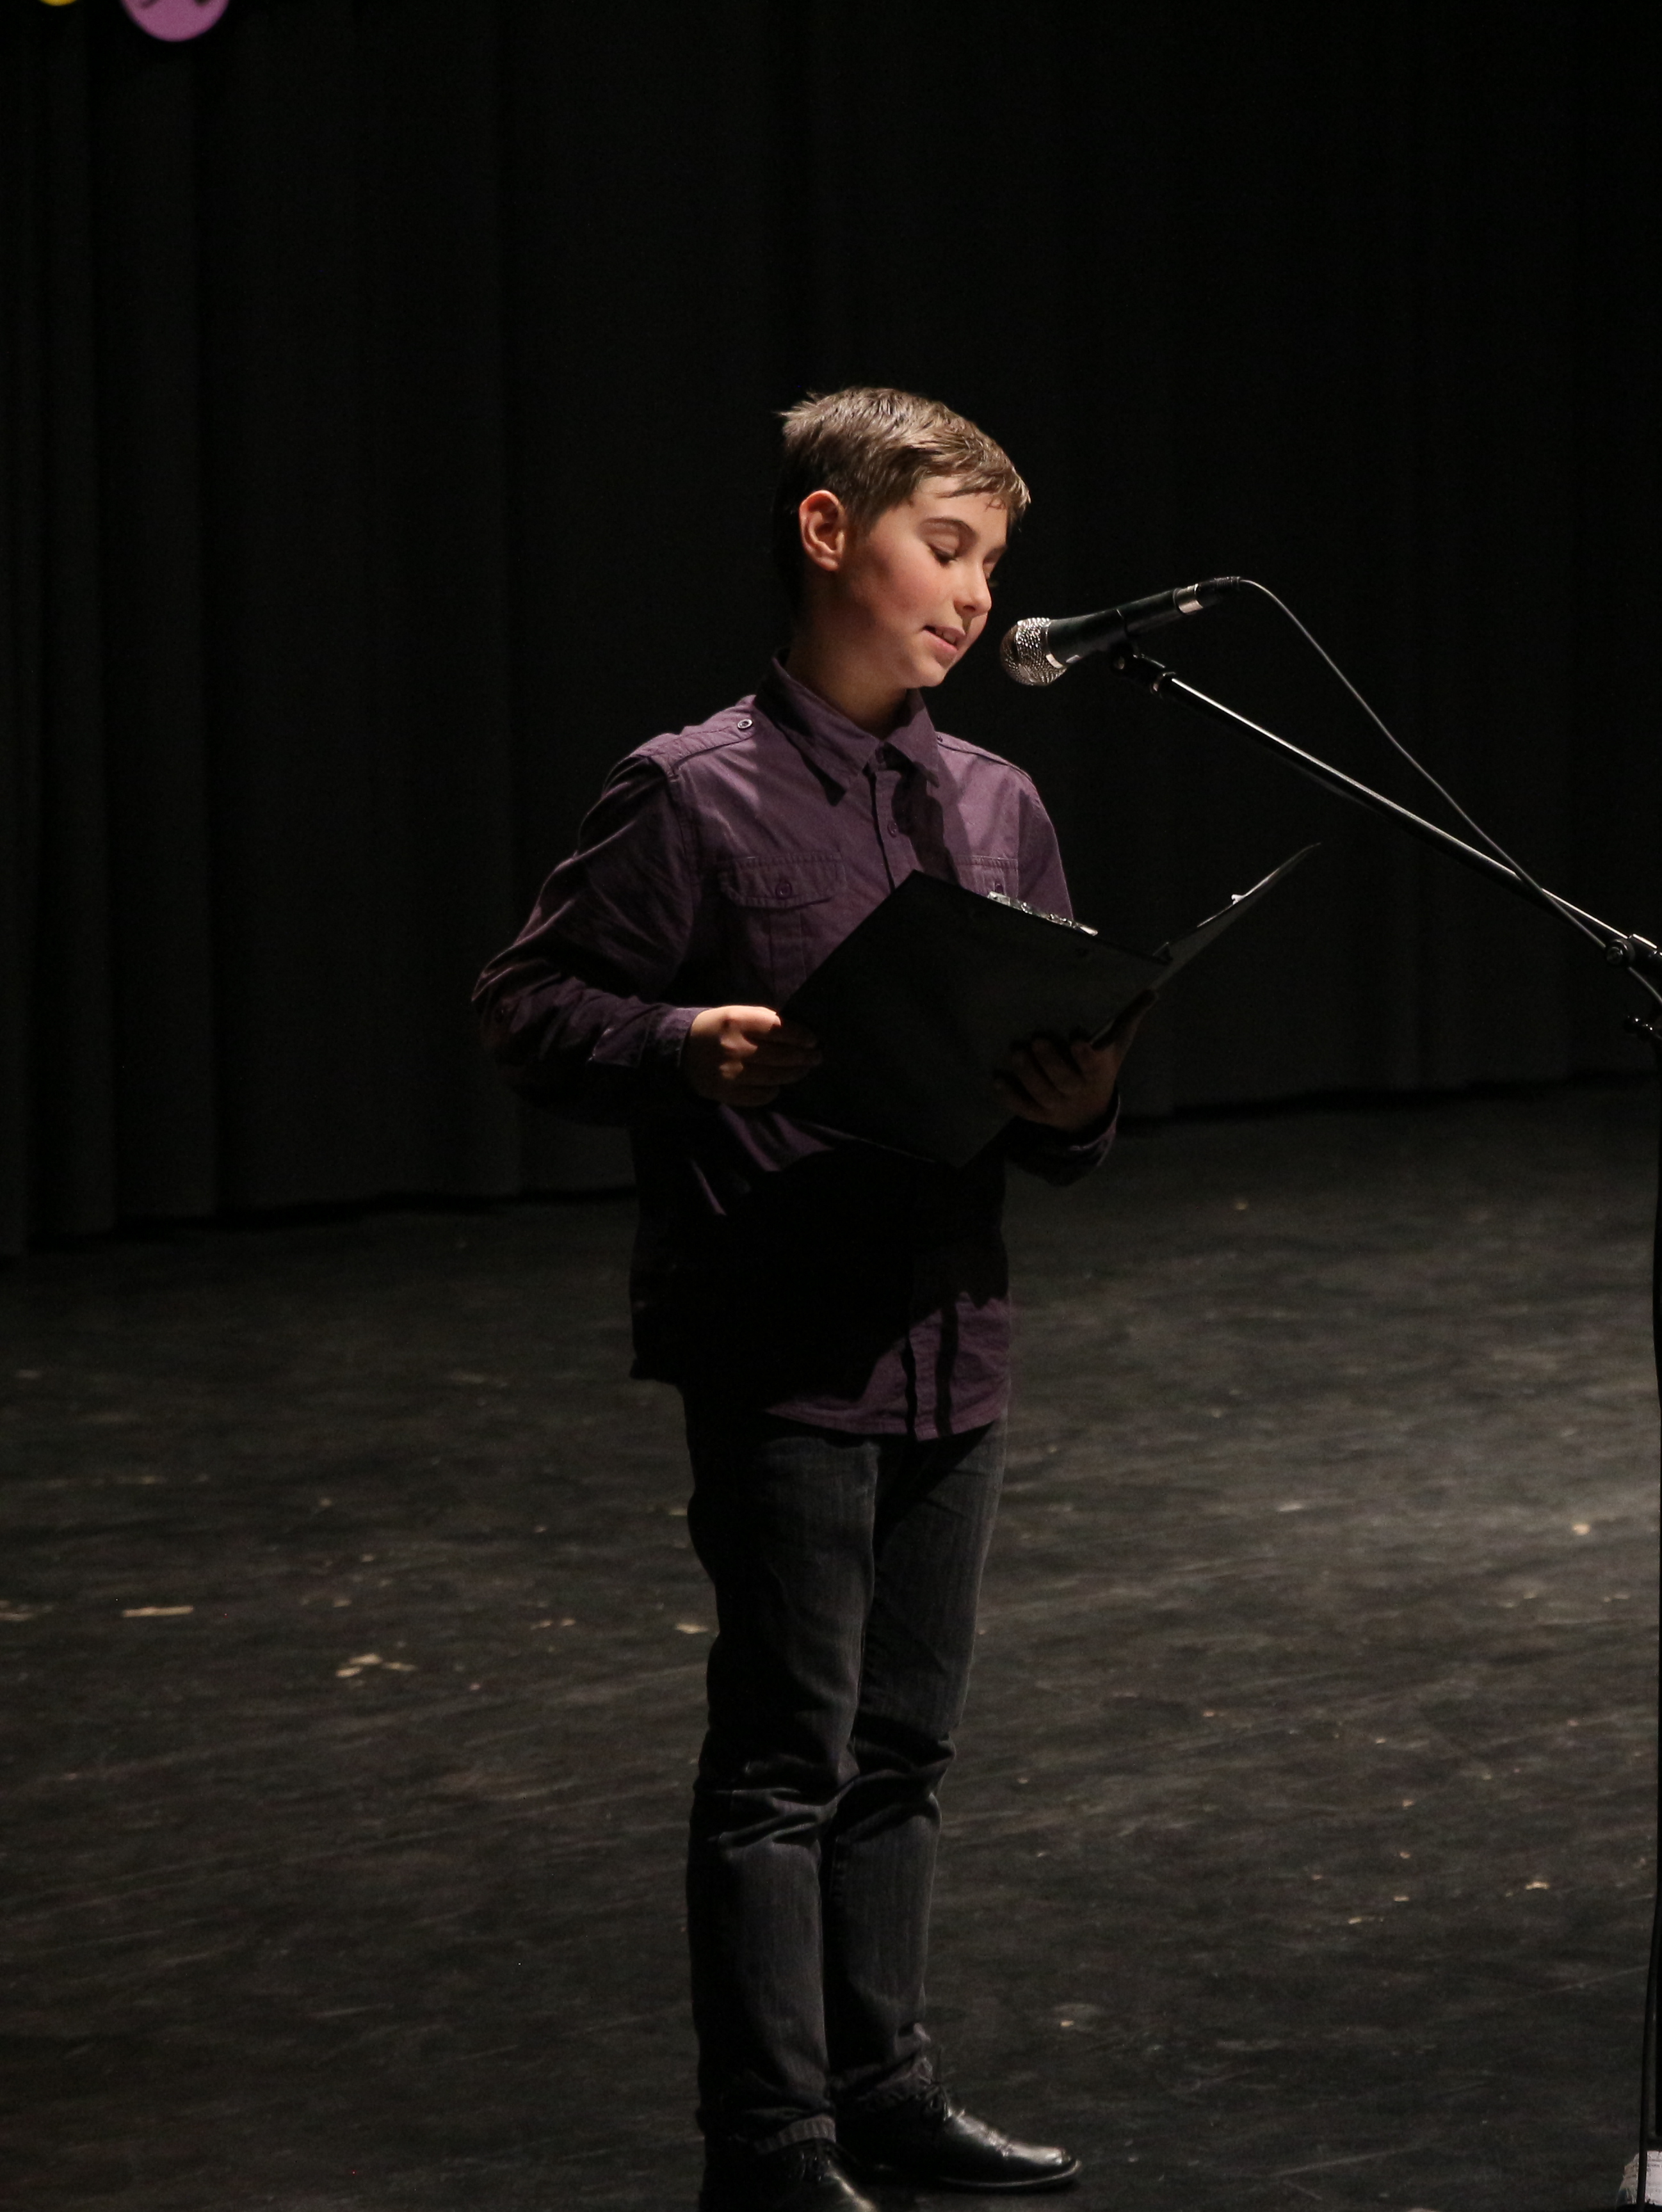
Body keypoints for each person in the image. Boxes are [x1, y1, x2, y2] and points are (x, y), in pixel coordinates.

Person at [476, 387, 1133, 2212]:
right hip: (781, 1341)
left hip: (950, 1335)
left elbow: (1051, 1104)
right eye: (949, 549)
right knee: (786, 1757)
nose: (978, 596)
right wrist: (685, 1040)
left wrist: (1077, 1100)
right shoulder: (695, 791)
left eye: (994, 565)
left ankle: (887, 2090)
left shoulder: (996, 802)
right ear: (831, 533)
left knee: (904, 1748)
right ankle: (768, 2140)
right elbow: (528, 1009)